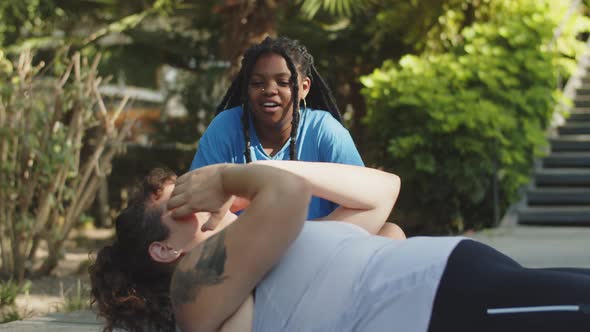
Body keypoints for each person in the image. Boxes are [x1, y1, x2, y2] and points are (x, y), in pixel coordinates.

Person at [90, 162, 590, 332]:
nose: (193, 195)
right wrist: (229, 177)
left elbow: (382, 191)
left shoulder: (262, 251)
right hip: (448, 308)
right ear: (161, 249)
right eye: (176, 199)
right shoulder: (191, 290)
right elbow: (287, 194)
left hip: (460, 289)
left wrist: (239, 190)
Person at [187, 37, 404, 237]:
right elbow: (197, 208)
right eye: (257, 83)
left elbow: (366, 199)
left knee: (391, 233)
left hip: (316, 246)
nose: (269, 90)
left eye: (283, 82)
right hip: (243, 249)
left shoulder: (324, 129)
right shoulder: (225, 127)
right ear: (246, 88)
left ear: (304, 88)